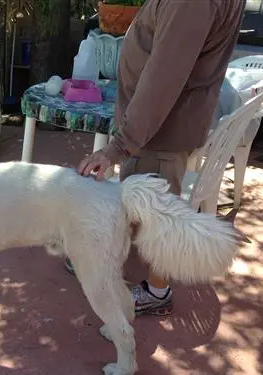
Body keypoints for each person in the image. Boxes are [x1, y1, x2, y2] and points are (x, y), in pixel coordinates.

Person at [66, 0, 246, 316]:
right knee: (140, 203)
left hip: (160, 131)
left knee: (156, 212)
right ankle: (102, 254)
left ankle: (157, 292)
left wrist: (117, 147)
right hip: (158, 127)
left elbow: (163, 80)